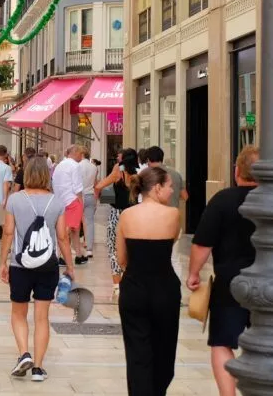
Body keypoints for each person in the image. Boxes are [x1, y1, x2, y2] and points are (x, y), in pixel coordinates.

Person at [187, 145, 273, 396]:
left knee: (222, 343)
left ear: (237, 171)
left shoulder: (222, 200)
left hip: (231, 285)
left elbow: (202, 243)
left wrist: (193, 274)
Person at [0, 156, 76, 383]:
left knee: (18, 313)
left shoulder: (15, 200)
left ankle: (24, 353)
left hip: (20, 265)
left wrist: (3, 262)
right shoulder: (57, 201)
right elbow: (62, 237)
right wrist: (70, 266)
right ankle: (39, 368)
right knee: (42, 317)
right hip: (47, 265)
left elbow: (9, 233)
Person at [117, 166, 182, 395]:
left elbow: (121, 259)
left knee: (137, 351)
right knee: (163, 348)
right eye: (169, 186)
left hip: (134, 287)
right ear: (157, 188)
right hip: (164, 288)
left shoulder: (126, 215)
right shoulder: (173, 214)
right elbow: (172, 240)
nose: (172, 190)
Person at [95, 148, 136, 296]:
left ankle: (117, 286)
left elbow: (101, 185)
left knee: (114, 249)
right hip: (134, 215)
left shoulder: (120, 169)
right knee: (131, 248)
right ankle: (129, 281)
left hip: (117, 214)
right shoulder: (140, 172)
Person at [52, 145, 86, 266]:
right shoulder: (75, 166)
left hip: (61, 200)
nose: (81, 157)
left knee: (72, 229)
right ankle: (61, 256)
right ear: (75, 153)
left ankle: (78, 255)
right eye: (80, 154)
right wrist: (81, 202)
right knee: (70, 230)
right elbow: (77, 187)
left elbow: (54, 183)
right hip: (73, 200)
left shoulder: (59, 165)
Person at [77, 149, 100, 261]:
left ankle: (76, 248)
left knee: (76, 222)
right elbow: (96, 183)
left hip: (79, 196)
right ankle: (89, 249)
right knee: (89, 222)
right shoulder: (94, 167)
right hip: (90, 195)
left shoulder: (77, 166)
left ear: (81, 154)